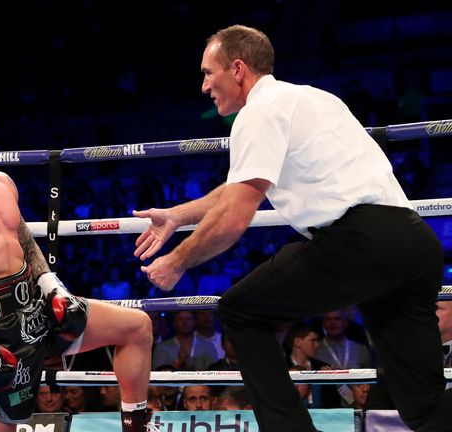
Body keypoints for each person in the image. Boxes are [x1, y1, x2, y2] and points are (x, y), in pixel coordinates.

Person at [133, 25, 448, 431]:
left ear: (238, 68)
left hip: (359, 242)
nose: (204, 86)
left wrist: (176, 261)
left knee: (240, 311)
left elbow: (234, 217)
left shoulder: (259, 113)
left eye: (209, 72)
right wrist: (176, 216)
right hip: (411, 243)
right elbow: (236, 189)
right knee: (424, 404)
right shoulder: (313, 98)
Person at [0, 90, 155, 432]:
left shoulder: (3, 183)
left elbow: (23, 239)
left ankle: (136, 425)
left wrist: (54, 289)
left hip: (38, 306)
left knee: (137, 326)